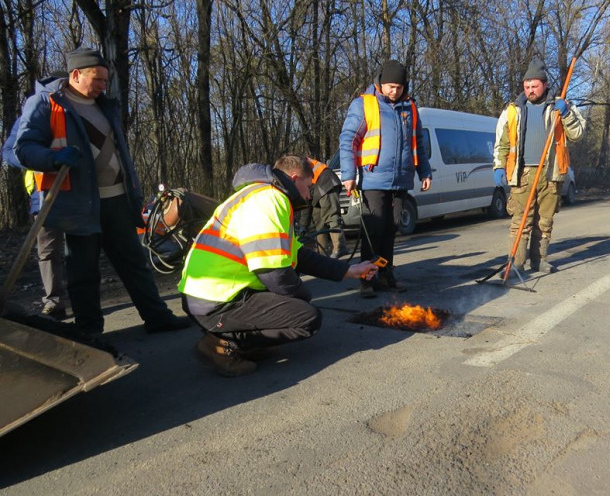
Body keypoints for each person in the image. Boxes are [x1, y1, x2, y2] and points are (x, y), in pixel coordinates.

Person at [13, 47, 190, 335]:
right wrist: (53, 158)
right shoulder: (46, 104)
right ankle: (90, 332)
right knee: (83, 272)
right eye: (96, 80)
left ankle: (158, 318)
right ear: (75, 75)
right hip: (79, 203)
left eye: (105, 81)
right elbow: (23, 149)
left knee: (135, 263)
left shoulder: (105, 105)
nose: (102, 86)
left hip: (117, 199)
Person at [178, 155, 379, 377]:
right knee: (305, 318)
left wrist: (350, 271)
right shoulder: (271, 200)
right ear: (294, 178)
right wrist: (299, 298)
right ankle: (220, 344)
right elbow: (273, 274)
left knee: (293, 306)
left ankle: (246, 342)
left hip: (208, 295)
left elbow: (299, 255)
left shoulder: (257, 195)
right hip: (216, 301)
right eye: (308, 187)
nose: (309, 195)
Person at [339, 59, 432, 298]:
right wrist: (348, 175)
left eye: (399, 87)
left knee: (392, 228)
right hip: (372, 180)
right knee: (374, 230)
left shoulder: (409, 108)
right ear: (381, 83)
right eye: (391, 86)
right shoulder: (364, 105)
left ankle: (386, 274)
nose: (394, 91)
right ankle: (367, 278)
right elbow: (349, 139)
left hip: (401, 180)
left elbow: (418, 143)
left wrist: (424, 171)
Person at [493, 57, 586, 274]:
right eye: (527, 86)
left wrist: (567, 114)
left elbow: (578, 134)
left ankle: (540, 260)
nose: (530, 90)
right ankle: (515, 264)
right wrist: (498, 166)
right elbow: (501, 143)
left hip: (550, 172)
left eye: (534, 86)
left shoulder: (560, 107)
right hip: (523, 174)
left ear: (545, 85)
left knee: (544, 221)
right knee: (520, 221)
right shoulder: (512, 110)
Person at [2, 74, 68, 319]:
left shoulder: (82, 110)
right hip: (45, 192)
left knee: (82, 248)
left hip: (83, 192)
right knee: (48, 250)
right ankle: (54, 300)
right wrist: (45, 159)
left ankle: (85, 301)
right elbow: (10, 151)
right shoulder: (36, 111)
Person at [296, 156, 349, 258]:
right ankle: (322, 253)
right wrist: (303, 225)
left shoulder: (298, 166)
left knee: (331, 215)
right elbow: (307, 203)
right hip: (317, 186)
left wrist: (303, 225)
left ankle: (340, 247)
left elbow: (306, 203)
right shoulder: (297, 170)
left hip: (326, 181)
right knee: (318, 219)